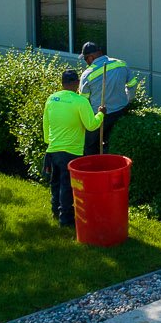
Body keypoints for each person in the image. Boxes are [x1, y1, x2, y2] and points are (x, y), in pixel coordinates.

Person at [42, 69, 103, 231]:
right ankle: (66, 219)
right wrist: (100, 114)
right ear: (76, 84)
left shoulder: (51, 99)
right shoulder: (80, 101)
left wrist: (49, 141)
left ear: (62, 83)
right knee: (66, 185)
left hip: (53, 149)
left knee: (55, 182)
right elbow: (91, 125)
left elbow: (46, 123)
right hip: (71, 152)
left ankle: (55, 210)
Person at [79, 41, 130, 154]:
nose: (86, 62)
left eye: (85, 59)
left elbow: (83, 101)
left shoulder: (87, 74)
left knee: (90, 144)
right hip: (120, 111)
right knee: (110, 142)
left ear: (91, 57)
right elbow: (132, 85)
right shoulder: (121, 64)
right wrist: (128, 100)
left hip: (99, 116)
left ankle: (95, 169)